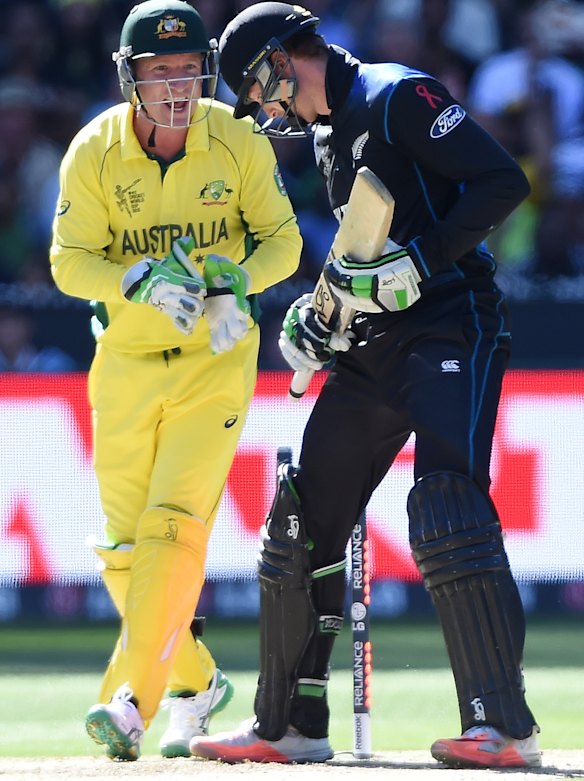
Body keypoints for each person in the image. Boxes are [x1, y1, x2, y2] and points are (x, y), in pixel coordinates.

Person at [189, 1, 541, 770]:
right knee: (299, 522)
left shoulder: (399, 95)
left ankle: (501, 727)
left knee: (446, 505)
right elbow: (362, 245)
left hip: (452, 321)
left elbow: (499, 181)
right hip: (374, 344)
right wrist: (320, 320)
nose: (260, 106)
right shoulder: (323, 135)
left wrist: (420, 261)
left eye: (257, 88)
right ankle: (288, 725)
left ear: (284, 59)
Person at [49, 0, 301, 762]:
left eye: (188, 70)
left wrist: (239, 280)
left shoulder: (236, 141)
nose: (176, 88)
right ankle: (197, 680)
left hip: (215, 362)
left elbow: (283, 243)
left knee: (172, 528)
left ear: (206, 73)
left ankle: (133, 701)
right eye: (159, 72)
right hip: (125, 365)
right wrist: (131, 278)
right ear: (130, 78)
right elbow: (68, 261)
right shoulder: (93, 151)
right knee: (124, 549)